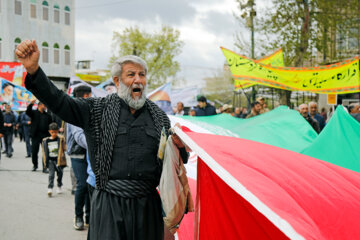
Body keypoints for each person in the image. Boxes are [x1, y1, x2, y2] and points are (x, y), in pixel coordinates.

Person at [16, 39, 188, 240]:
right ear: (117, 81)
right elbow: (60, 102)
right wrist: (34, 71)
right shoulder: (96, 110)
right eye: (131, 74)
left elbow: (173, 161)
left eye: (142, 74)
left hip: (147, 207)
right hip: (109, 205)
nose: (138, 80)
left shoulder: (160, 117)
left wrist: (181, 149)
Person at [66, 85, 91, 231]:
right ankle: (78, 216)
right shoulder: (73, 112)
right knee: (82, 184)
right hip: (78, 154)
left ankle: (89, 216)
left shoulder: (88, 110)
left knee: (90, 184)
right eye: (90, 95)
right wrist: (97, 145)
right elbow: (79, 136)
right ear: (86, 96)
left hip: (89, 154)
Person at [26, 100, 52, 172]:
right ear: (39, 105)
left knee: (45, 152)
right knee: (34, 151)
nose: (45, 107)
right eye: (44, 105)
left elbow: (51, 124)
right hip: (35, 135)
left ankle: (45, 167)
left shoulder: (47, 115)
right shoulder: (34, 113)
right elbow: (28, 112)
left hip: (45, 136)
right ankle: (35, 165)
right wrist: (31, 104)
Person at [42, 122, 67, 197]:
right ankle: (50, 188)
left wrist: (63, 140)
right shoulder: (45, 141)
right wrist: (45, 162)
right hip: (50, 161)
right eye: (52, 132)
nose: (54, 134)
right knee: (51, 175)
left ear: (58, 131)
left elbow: (65, 148)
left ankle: (59, 185)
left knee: (60, 174)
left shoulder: (60, 139)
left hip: (59, 160)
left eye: (56, 132)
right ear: (49, 131)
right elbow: (44, 152)